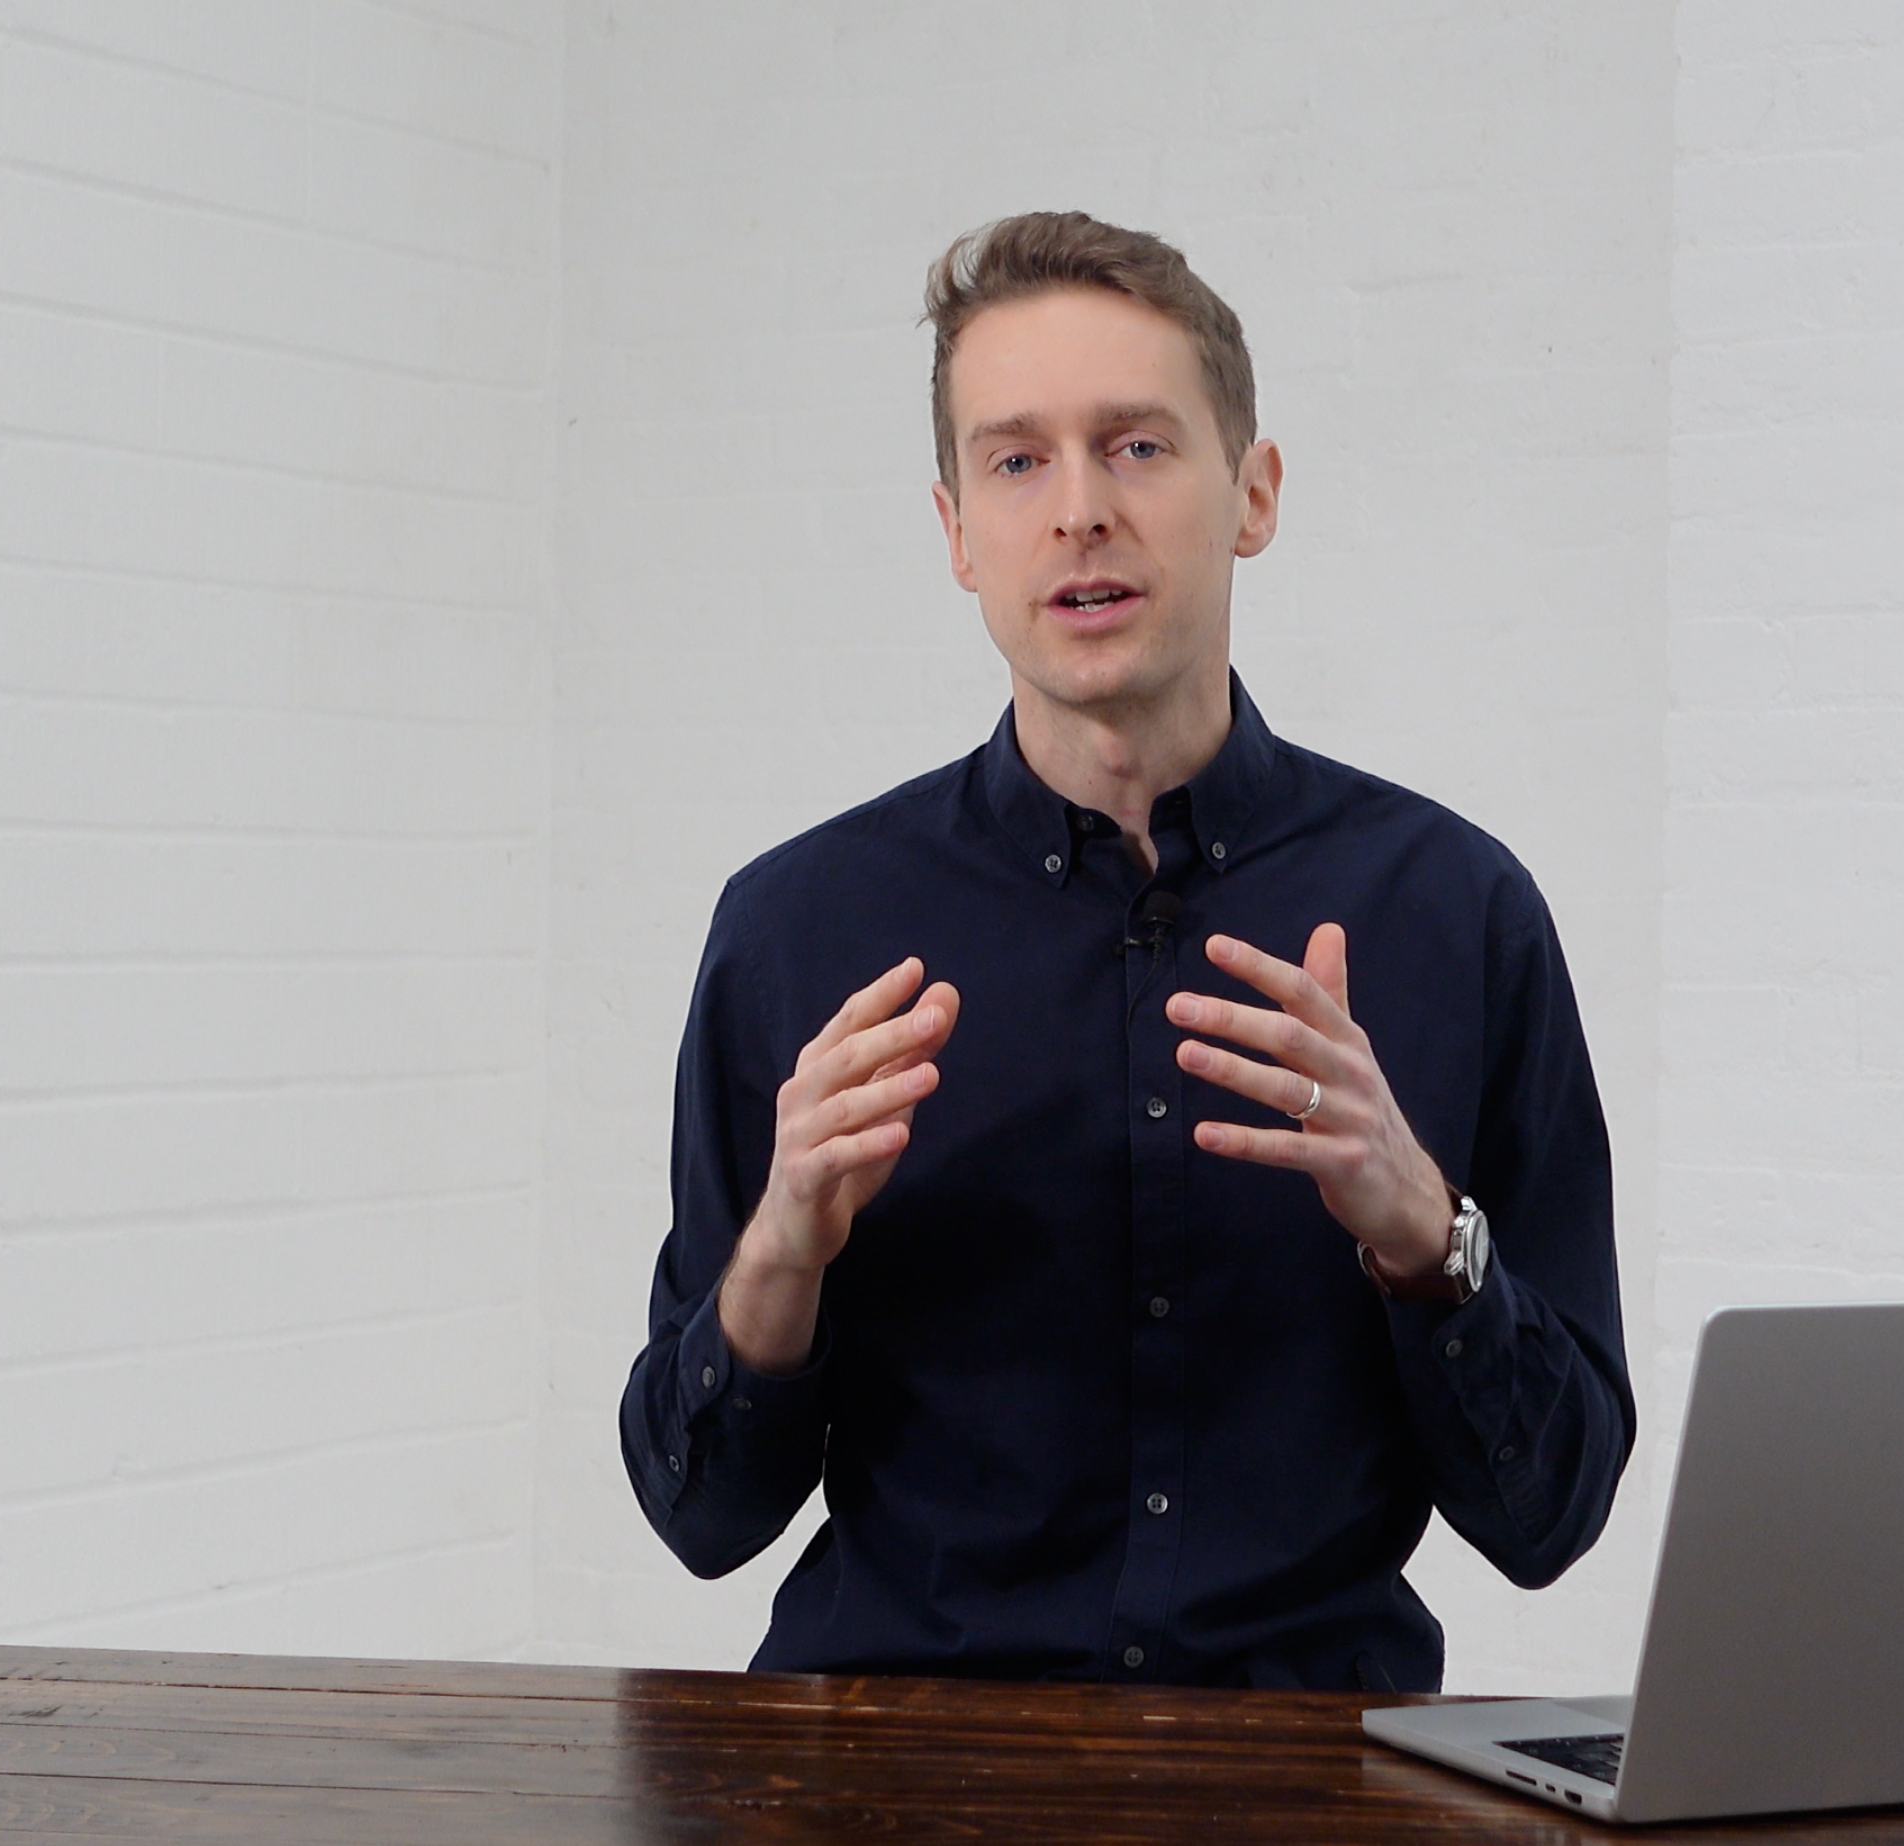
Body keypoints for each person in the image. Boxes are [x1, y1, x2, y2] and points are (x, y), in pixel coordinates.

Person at [616, 211, 1632, 1693]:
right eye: (1017, 459)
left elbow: (1555, 1513)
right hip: (900, 1774)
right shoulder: (797, 929)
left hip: (1315, 1775)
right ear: (960, 530)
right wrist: (782, 1250)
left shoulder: (1458, 911)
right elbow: (700, 1517)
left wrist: (1427, 1234)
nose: (1079, 508)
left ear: (1254, 493)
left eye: (1138, 446)